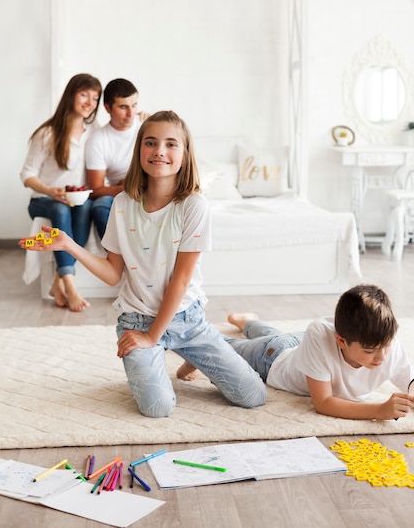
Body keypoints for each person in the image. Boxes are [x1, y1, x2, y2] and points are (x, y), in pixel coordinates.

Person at [19, 110, 267, 418]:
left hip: (186, 321)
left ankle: (215, 349)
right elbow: (112, 274)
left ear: (185, 153)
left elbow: (179, 281)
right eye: (150, 142)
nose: (160, 151)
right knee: (157, 408)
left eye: (171, 144)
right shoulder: (122, 204)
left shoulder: (194, 206)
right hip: (136, 322)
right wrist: (68, 244)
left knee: (253, 396)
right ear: (139, 151)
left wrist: (154, 337)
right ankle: (181, 354)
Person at [177, 284, 414, 421]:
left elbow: (409, 381)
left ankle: (246, 322)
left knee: (276, 335)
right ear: (341, 341)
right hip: (272, 358)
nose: (382, 357)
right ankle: (194, 352)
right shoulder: (320, 335)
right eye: (370, 351)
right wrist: (379, 410)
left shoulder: (386, 344)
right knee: (229, 348)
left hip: (295, 345)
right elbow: (323, 403)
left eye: (386, 346)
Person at [20, 73, 102, 312]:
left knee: (86, 207)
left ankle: (57, 282)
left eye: (95, 98)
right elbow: (26, 174)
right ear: (71, 95)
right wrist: (49, 190)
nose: (90, 102)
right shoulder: (47, 133)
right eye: (85, 94)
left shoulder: (93, 132)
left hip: (77, 200)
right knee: (59, 207)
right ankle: (70, 284)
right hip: (43, 200)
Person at [85, 78, 148, 239]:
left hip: (151, 187)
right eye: (123, 107)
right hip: (122, 193)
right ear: (107, 108)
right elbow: (95, 190)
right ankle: (117, 260)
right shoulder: (98, 140)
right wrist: (126, 187)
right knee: (100, 206)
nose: (131, 113)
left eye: (134, 105)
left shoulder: (146, 126)